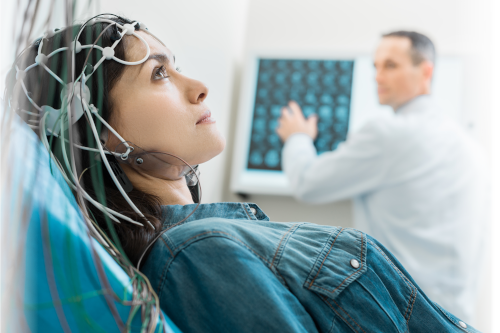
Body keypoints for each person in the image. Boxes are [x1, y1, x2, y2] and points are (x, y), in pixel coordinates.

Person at [6, 18, 481, 332]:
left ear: (426, 74)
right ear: (98, 132)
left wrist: (297, 140)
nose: (199, 86)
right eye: (158, 75)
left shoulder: (213, 238)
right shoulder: (195, 252)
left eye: (177, 67)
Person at [276, 31, 494, 324]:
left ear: (426, 71)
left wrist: (298, 138)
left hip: (402, 319)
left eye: (390, 65)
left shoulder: (388, 134)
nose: (378, 76)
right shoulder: (475, 152)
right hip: (457, 322)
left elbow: (307, 182)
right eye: (375, 67)